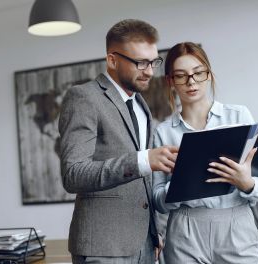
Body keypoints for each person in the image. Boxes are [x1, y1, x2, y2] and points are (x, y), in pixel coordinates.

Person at [58, 19, 178, 264]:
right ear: (112, 60)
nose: (150, 71)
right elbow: (73, 174)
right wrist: (144, 160)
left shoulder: (141, 106)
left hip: (144, 246)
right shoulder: (84, 97)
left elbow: (144, 184)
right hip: (102, 248)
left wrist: (155, 234)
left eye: (154, 62)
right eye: (141, 62)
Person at [152, 42, 258, 264]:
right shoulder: (163, 133)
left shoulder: (238, 116)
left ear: (208, 74)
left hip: (237, 226)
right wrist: (179, 185)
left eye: (198, 73)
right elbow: (157, 200)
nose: (191, 82)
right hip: (184, 232)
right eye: (181, 76)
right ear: (170, 81)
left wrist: (247, 183)